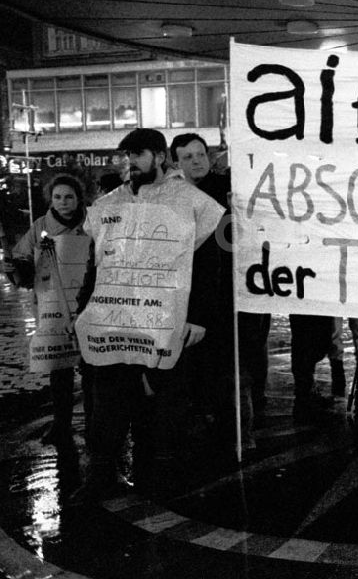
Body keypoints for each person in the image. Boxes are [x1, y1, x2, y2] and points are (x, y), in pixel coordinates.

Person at [71, 128, 223, 501]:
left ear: (158, 156)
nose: (130, 163)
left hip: (164, 319)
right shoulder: (110, 204)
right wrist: (83, 309)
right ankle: (102, 473)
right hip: (116, 319)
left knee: (164, 401)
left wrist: (199, 316)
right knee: (108, 397)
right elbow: (98, 261)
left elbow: (207, 263)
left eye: (137, 155)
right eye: (126, 156)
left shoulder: (189, 201)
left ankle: (159, 473)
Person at [171, 133, 272, 440]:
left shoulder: (229, 191)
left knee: (236, 367)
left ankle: (242, 430)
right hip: (192, 296)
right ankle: (207, 422)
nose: (196, 160)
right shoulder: (174, 196)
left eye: (200, 154)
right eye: (187, 157)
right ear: (176, 163)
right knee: (200, 367)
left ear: (210, 156)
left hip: (233, 294)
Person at [7, 174, 92, 450]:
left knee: (92, 367)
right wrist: (20, 269)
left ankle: (95, 421)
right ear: (50, 199)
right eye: (57, 197)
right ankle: (62, 423)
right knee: (59, 367)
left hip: (88, 304)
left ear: (79, 198)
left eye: (69, 197)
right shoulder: (41, 226)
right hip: (53, 308)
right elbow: (21, 258)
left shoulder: (92, 222)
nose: (63, 202)